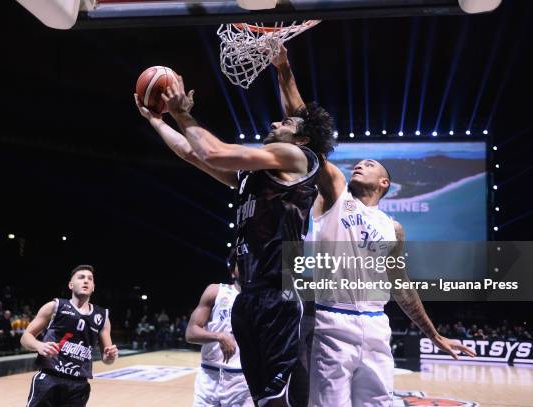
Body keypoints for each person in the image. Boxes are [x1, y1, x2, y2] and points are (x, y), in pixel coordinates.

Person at [272, 44, 476, 407]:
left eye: (370, 164)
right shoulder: (335, 194)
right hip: (332, 323)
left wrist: (436, 335)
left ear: (385, 183)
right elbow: (309, 132)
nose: (360, 165)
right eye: (358, 163)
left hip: (377, 324)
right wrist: (284, 69)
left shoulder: (393, 228)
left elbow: (402, 288)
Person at [135, 71, 334, 406]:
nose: (275, 122)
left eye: (285, 122)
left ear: (300, 140)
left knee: (278, 401)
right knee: (259, 399)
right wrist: (156, 120)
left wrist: (183, 112)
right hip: (248, 298)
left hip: (279, 297)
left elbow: (213, 152)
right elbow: (192, 153)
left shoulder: (298, 158)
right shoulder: (252, 176)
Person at [21, 265, 118, 407]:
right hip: (49, 378)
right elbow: (25, 337)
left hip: (79, 386)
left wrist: (110, 357)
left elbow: (107, 358)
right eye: (81, 277)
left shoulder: (102, 316)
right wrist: (39, 345)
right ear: (71, 285)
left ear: (93, 287)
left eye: (90, 279)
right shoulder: (55, 306)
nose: (86, 281)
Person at [186, 252, 252, 407]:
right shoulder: (215, 291)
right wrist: (219, 336)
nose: (245, 266)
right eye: (240, 262)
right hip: (209, 376)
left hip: (242, 380)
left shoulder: (262, 299)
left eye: (249, 262)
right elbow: (190, 332)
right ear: (231, 269)